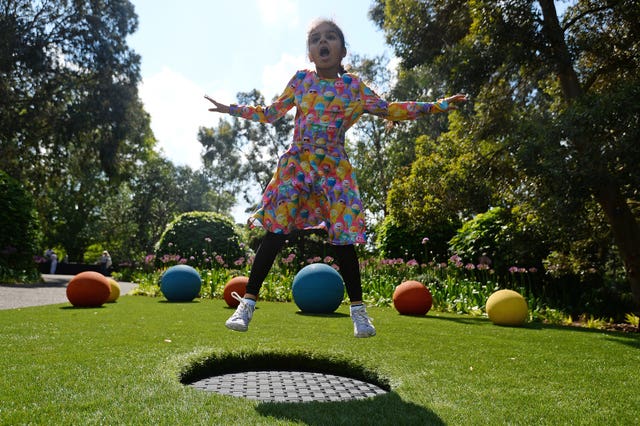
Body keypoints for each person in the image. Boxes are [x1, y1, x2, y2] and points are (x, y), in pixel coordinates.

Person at [205, 18, 466, 337]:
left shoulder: (353, 88)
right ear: (310, 53)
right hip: (297, 166)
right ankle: (246, 307)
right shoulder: (301, 81)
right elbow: (270, 113)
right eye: (315, 39)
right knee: (274, 232)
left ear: (343, 50)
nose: (322, 42)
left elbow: (392, 109)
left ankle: (359, 314)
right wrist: (230, 109)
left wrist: (440, 105)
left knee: (343, 239)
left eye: (330, 38)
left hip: (333, 171)